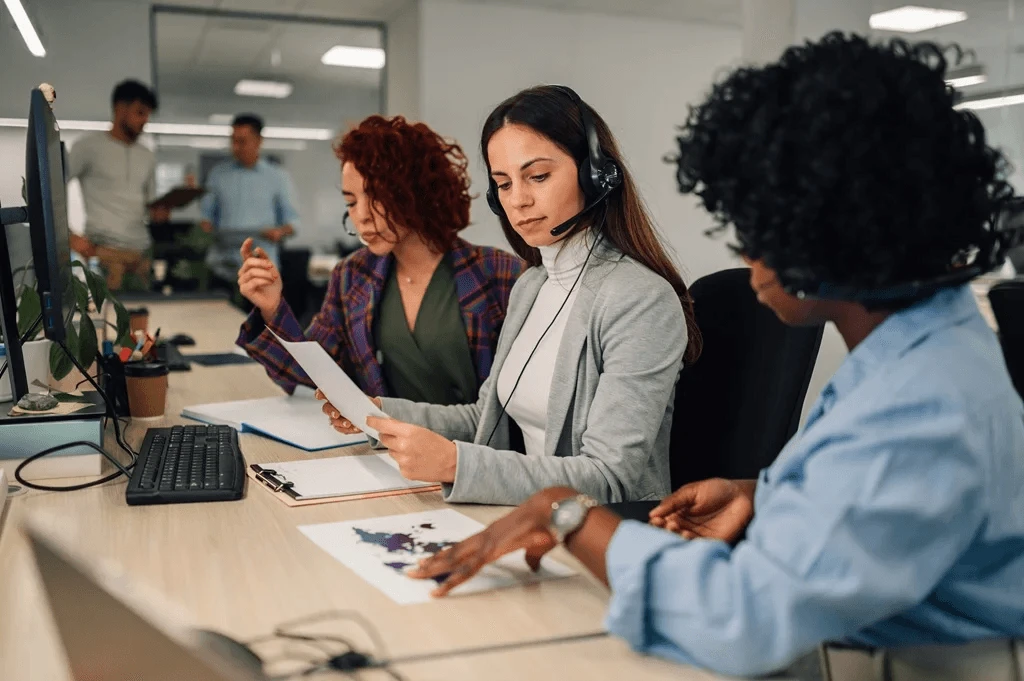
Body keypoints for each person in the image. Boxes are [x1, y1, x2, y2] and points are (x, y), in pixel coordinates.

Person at [408, 34, 1024, 678]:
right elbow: (883, 499)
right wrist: (765, 496)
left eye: (761, 224)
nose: (743, 248)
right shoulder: (915, 344)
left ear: (840, 227)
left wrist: (566, 513)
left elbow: (744, 618)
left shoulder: (922, 399)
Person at [320, 86, 702, 506]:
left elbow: (610, 478)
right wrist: (379, 413)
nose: (518, 200)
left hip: (602, 534)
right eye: (503, 184)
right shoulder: (532, 286)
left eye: (537, 176)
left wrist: (455, 465)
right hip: (529, 517)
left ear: (596, 176)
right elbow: (483, 418)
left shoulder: (640, 299)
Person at [237, 115, 522, 408]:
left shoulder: (497, 273)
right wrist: (272, 309)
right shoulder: (353, 276)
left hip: (474, 451)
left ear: (415, 191)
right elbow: (308, 378)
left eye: (375, 196)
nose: (361, 215)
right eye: (351, 201)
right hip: (384, 450)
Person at [67, 80, 167, 290]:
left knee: (142, 319)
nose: (145, 120)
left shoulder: (147, 156)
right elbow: (51, 191)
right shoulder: (88, 147)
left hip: (141, 254)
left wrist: (159, 213)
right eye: (140, 112)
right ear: (120, 109)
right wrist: (70, 236)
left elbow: (149, 205)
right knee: (106, 320)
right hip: (104, 254)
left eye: (147, 114)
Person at [200, 113, 299, 283]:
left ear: (259, 141)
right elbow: (206, 217)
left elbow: (293, 222)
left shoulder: (278, 177)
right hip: (223, 267)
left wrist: (279, 232)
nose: (236, 147)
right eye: (233, 141)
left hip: (261, 270)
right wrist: (205, 227)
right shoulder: (218, 175)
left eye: (242, 141)